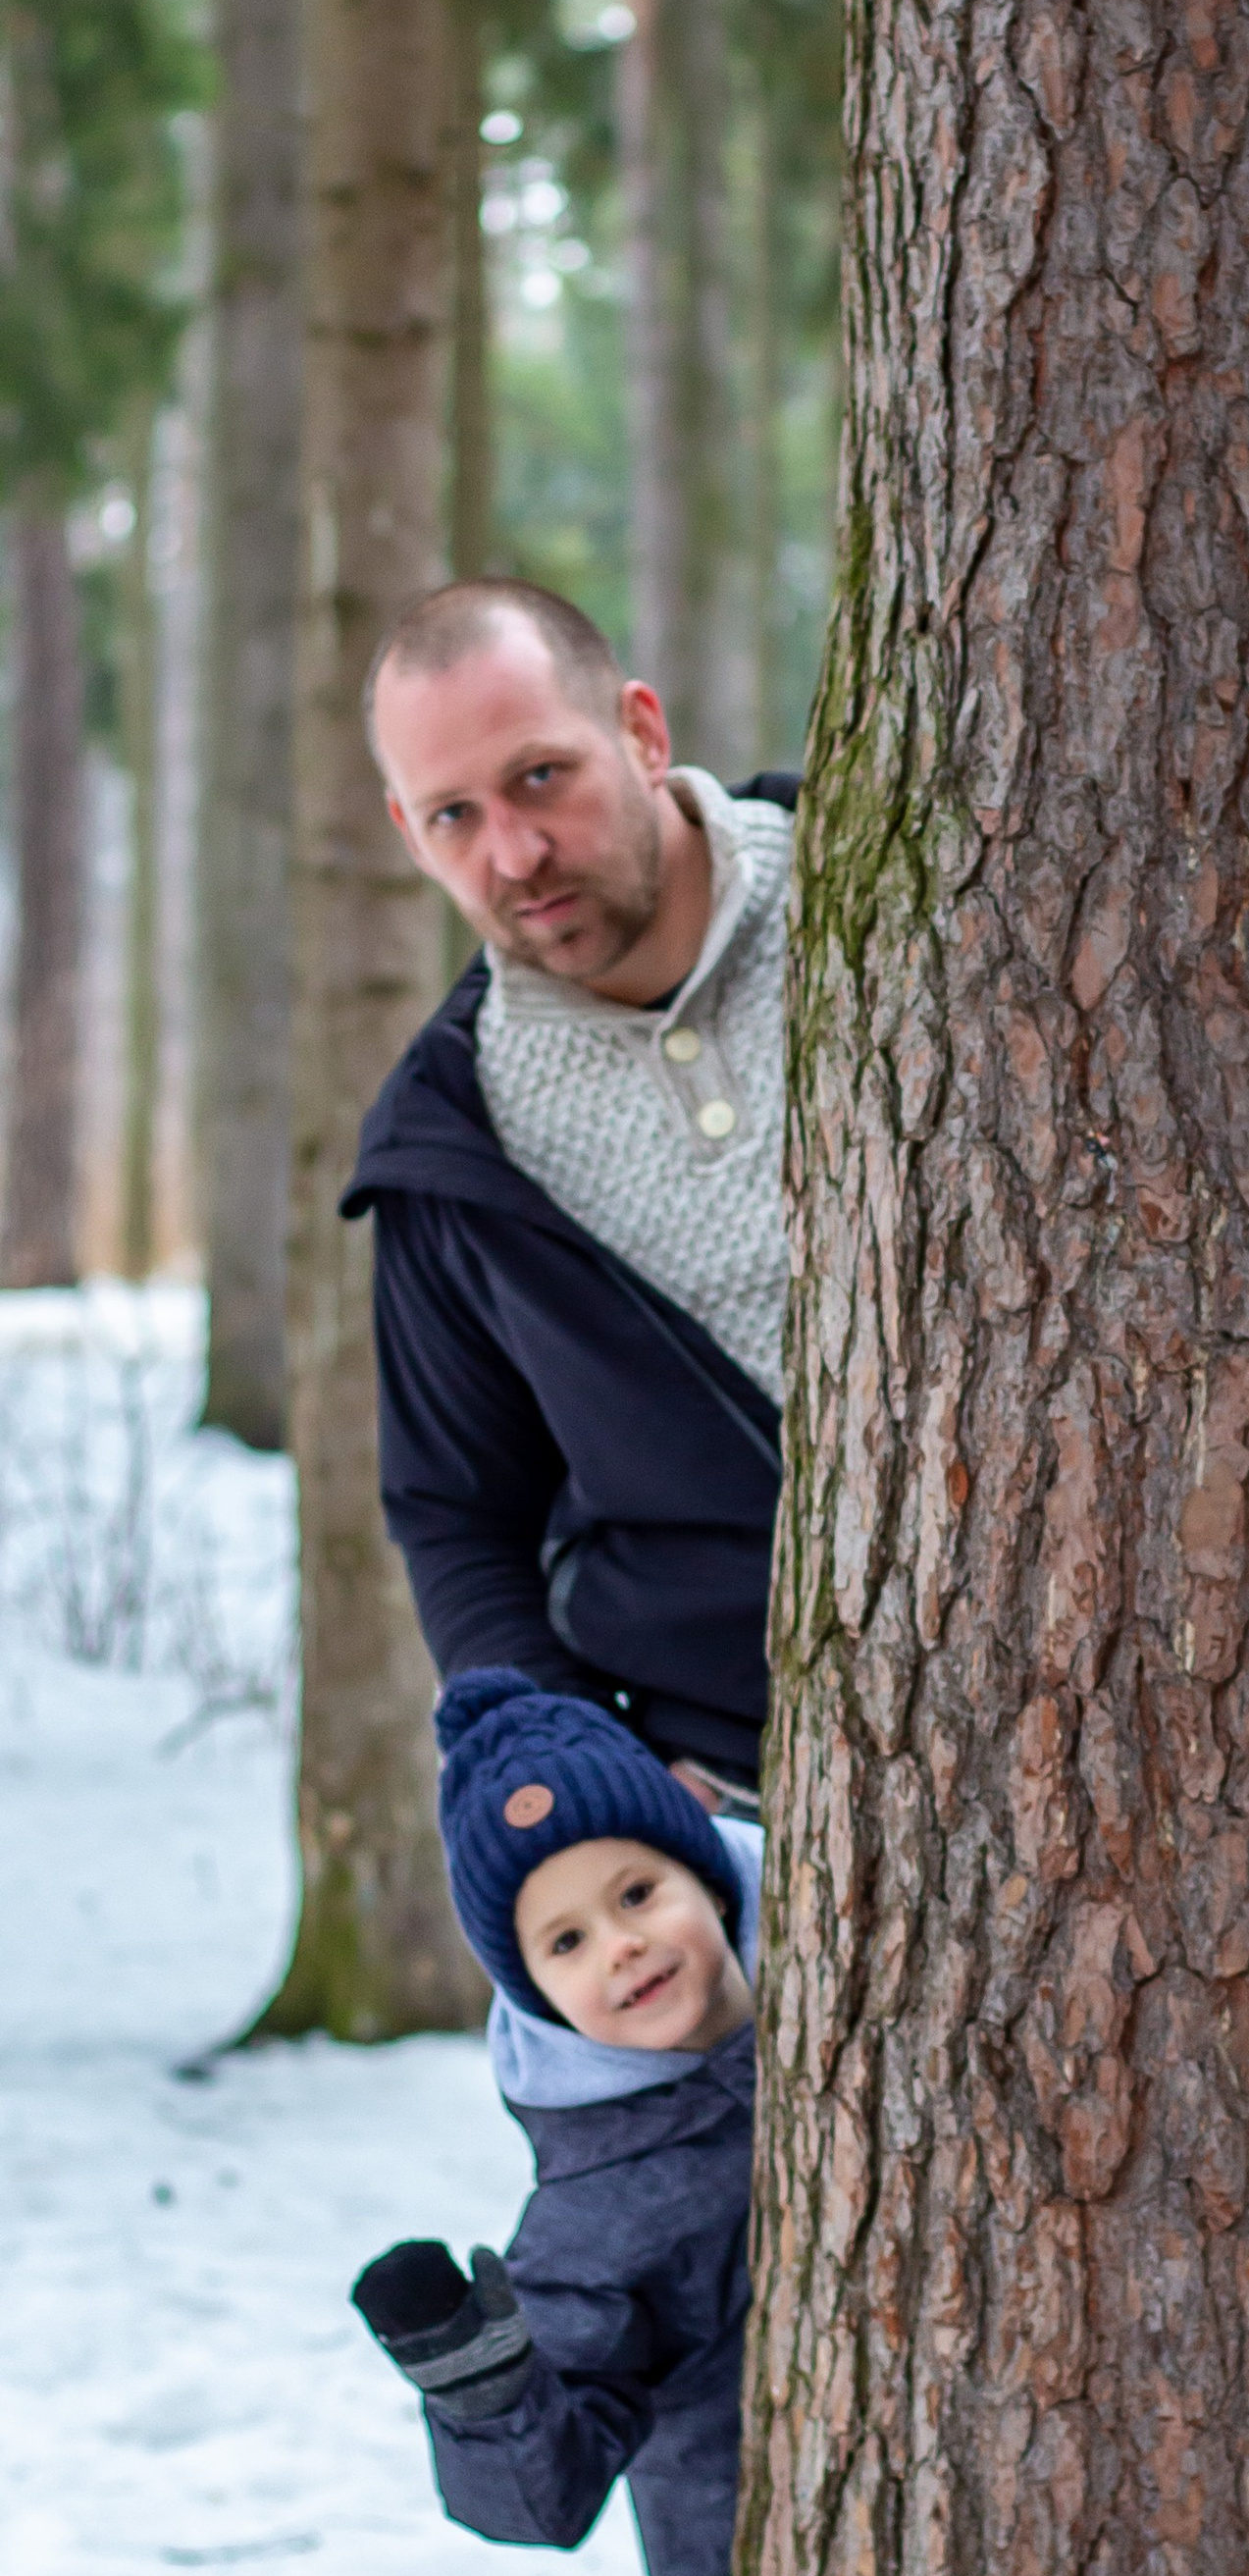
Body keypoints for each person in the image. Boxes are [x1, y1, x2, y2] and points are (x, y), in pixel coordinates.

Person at [344, 579, 795, 1810]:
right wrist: (594, 1779)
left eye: (541, 776)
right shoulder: (451, 1149)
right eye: (454, 815)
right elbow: (454, 1517)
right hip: (744, 1796)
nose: (514, 852)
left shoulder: (897, 896)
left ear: (641, 732)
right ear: (406, 831)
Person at [349, 1666, 757, 2576]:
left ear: (711, 1879)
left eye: (636, 1894)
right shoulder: (594, 2210)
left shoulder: (860, 1980)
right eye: (564, 1944)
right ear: (531, 1991)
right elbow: (543, 2498)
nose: (619, 1945)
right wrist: (485, 2392)